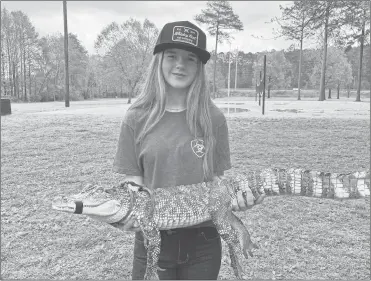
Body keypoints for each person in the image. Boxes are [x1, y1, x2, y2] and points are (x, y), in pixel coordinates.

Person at [113, 20, 264, 280]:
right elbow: (133, 186)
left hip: (203, 242)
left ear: (199, 67)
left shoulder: (213, 118)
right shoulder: (136, 117)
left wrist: (239, 199)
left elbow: (217, 183)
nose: (180, 65)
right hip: (152, 241)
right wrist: (128, 213)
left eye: (190, 58)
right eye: (172, 56)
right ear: (159, 60)